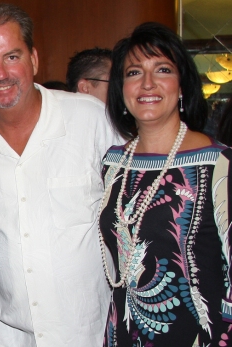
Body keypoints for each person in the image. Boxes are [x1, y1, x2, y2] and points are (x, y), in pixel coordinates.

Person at [0, 3, 122, 346]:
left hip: (91, 334)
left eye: (11, 57)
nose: (0, 73)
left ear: (33, 59)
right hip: (10, 337)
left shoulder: (91, 119)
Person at [99, 22, 232, 346]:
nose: (147, 83)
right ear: (121, 88)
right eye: (133, 73)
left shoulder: (216, 164)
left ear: (182, 84)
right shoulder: (113, 164)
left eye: (162, 69)